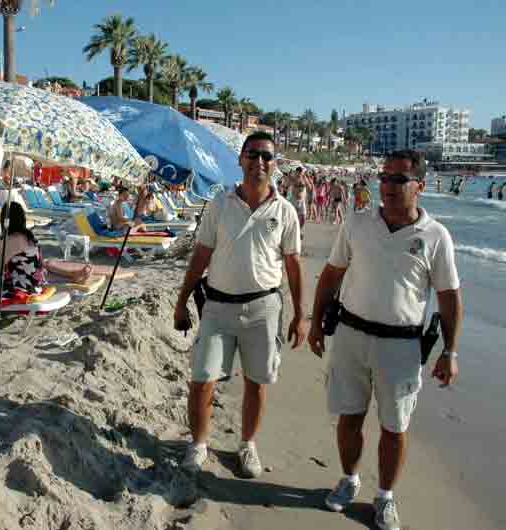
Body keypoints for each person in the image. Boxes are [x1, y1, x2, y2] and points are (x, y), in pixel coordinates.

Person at [308, 150, 462, 530]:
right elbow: (330, 275)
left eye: (399, 180)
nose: (388, 186)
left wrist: (450, 351)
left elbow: (449, 297)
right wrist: (315, 323)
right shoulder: (357, 224)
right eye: (385, 177)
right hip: (350, 335)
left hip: (402, 347)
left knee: (395, 427)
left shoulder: (436, 236)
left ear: (420, 186)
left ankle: (385, 497)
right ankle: (348, 480)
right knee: (349, 417)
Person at [173, 132, 306, 477]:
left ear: (275, 164)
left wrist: (301, 316)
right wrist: (182, 299)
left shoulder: (286, 211)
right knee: (202, 378)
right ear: (241, 159)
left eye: (266, 156)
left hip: (264, 308)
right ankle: (198, 444)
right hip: (217, 308)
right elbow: (201, 255)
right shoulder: (220, 204)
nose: (259, 162)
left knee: (257, 382)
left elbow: (292, 264)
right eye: (252, 154)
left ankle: (247, 444)